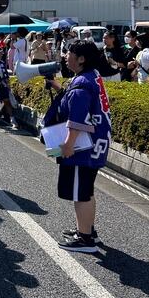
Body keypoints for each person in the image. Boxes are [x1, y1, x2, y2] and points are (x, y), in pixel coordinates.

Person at [45, 40, 111, 253]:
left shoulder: (82, 84)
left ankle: (85, 240)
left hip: (82, 148)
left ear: (81, 59)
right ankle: (87, 230)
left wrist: (68, 144)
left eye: (70, 53)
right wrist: (58, 87)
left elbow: (77, 119)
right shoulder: (91, 77)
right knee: (86, 190)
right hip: (95, 144)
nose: (66, 56)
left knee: (80, 192)